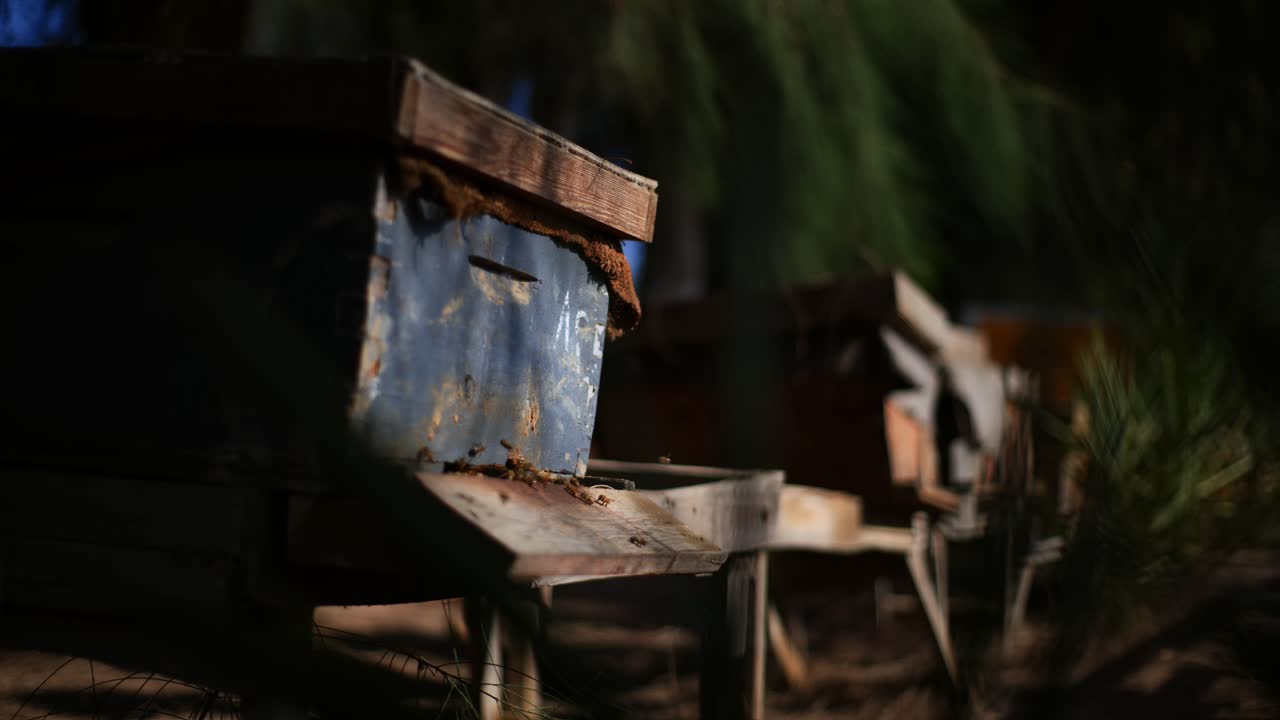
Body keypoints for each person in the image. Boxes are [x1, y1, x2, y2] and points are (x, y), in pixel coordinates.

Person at [933, 364, 982, 487]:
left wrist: (967, 434)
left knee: (956, 456)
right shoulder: (945, 398)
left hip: (955, 433)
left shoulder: (952, 399)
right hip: (948, 433)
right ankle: (948, 482)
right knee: (948, 457)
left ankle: (954, 481)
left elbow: (963, 417)